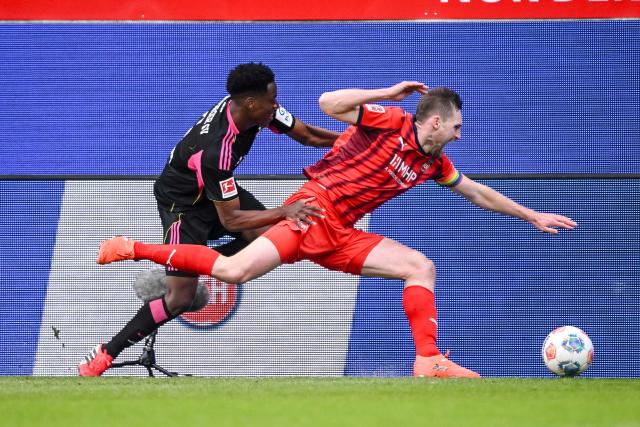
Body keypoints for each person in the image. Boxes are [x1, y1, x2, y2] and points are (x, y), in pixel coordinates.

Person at [96, 81, 577, 378]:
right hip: (312, 211)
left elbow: (477, 192)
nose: (459, 134)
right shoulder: (390, 121)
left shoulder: (434, 163)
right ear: (434, 122)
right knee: (235, 272)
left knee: (420, 267)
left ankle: (429, 361)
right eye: (456, 127)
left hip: (342, 230)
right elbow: (330, 102)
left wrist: (532, 215)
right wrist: (387, 94)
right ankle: (132, 247)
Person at [78, 62, 339, 376]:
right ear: (252, 103)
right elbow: (230, 221)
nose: (277, 106)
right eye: (272, 100)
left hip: (212, 191)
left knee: (270, 238)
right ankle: (106, 352)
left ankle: (187, 263)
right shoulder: (217, 151)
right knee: (180, 298)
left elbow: (308, 135)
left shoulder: (257, 112)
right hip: (183, 205)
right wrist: (284, 211)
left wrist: (357, 141)